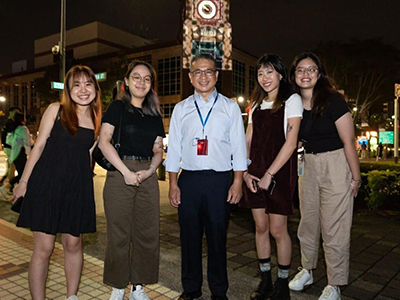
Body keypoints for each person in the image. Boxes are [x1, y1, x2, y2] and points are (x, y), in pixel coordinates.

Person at [13, 65, 102, 300]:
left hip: (77, 188)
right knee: (44, 249)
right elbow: (39, 146)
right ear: (68, 89)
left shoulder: (96, 119)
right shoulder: (56, 110)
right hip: (47, 184)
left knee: (74, 245)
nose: (83, 90)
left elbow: (89, 156)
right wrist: (23, 182)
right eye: (77, 85)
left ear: (95, 88)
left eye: (88, 84)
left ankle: (71, 296)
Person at [165, 53, 247, 300]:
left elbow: (239, 147)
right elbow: (175, 149)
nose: (203, 76)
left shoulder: (230, 107)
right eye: (198, 72)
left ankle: (219, 292)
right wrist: (172, 184)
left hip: (219, 181)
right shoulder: (181, 109)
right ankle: (190, 290)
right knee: (189, 238)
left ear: (217, 76)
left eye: (208, 71)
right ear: (190, 77)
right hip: (188, 180)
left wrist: (238, 181)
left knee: (217, 238)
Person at [288, 53, 361, 300]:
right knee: (307, 222)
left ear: (319, 74)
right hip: (307, 164)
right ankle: (307, 269)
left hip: (335, 163)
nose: (306, 74)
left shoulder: (333, 101)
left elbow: (348, 140)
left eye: (311, 69)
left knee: (335, 227)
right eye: (300, 70)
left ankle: (335, 283)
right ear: (294, 75)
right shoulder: (294, 104)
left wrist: (355, 177)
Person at [98, 60, 165, 300]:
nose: (141, 82)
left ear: (151, 85)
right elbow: (104, 141)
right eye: (136, 77)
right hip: (119, 171)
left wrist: (149, 171)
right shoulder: (117, 107)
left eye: (147, 79)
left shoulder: (154, 113)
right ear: (126, 81)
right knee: (118, 233)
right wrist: (126, 172)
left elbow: (158, 149)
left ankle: (138, 286)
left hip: (147, 174)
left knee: (147, 233)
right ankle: (118, 285)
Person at [240, 54, 302, 300]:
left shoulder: (291, 100)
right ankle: (265, 278)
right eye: (260, 73)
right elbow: (247, 139)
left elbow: (291, 143)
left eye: (269, 72)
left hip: (278, 174)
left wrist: (269, 174)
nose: (264, 78)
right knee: (260, 227)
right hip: (254, 175)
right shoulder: (255, 105)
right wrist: (244, 171)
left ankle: (282, 283)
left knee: (278, 229)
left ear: (279, 74)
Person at [0, 112, 32, 199]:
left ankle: (16, 191)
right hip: (20, 154)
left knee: (23, 174)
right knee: (24, 174)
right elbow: (27, 142)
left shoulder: (15, 129)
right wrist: (29, 153)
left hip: (15, 155)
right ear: (22, 119)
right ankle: (7, 187)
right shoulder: (23, 129)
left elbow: (13, 142)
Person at [0, 106, 22, 188]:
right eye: (16, 112)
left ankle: (3, 181)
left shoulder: (8, 122)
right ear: (11, 112)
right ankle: (10, 186)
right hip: (9, 147)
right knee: (12, 166)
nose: (17, 114)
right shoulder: (11, 123)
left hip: (8, 146)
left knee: (10, 166)